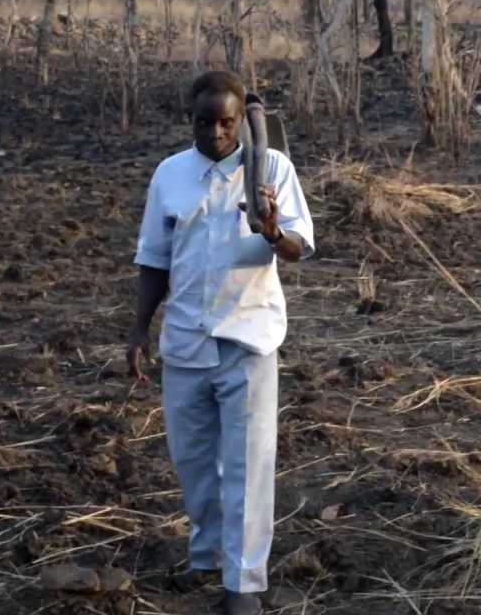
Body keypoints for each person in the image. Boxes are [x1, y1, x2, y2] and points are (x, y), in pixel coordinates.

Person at [127, 70, 314, 615]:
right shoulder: (170, 175)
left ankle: (244, 583)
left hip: (249, 337)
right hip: (185, 340)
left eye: (226, 122)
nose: (215, 132)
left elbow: (302, 245)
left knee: (249, 465)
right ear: (191, 119)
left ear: (240, 120)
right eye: (204, 121)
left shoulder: (270, 168)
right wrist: (140, 327)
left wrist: (273, 231)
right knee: (193, 460)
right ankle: (209, 556)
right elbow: (153, 258)